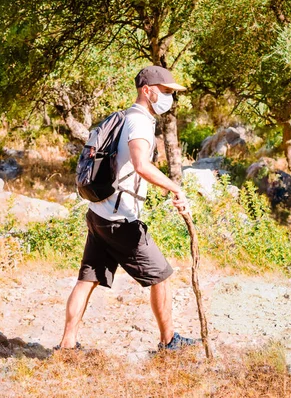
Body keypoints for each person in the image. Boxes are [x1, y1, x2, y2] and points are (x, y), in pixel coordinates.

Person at [57, 66, 198, 351]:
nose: (171, 98)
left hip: (99, 213)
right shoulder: (139, 123)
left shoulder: (123, 118)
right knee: (160, 276)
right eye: (167, 92)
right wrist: (175, 188)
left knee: (88, 278)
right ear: (148, 90)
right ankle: (169, 341)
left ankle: (67, 344)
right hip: (120, 221)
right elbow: (141, 165)